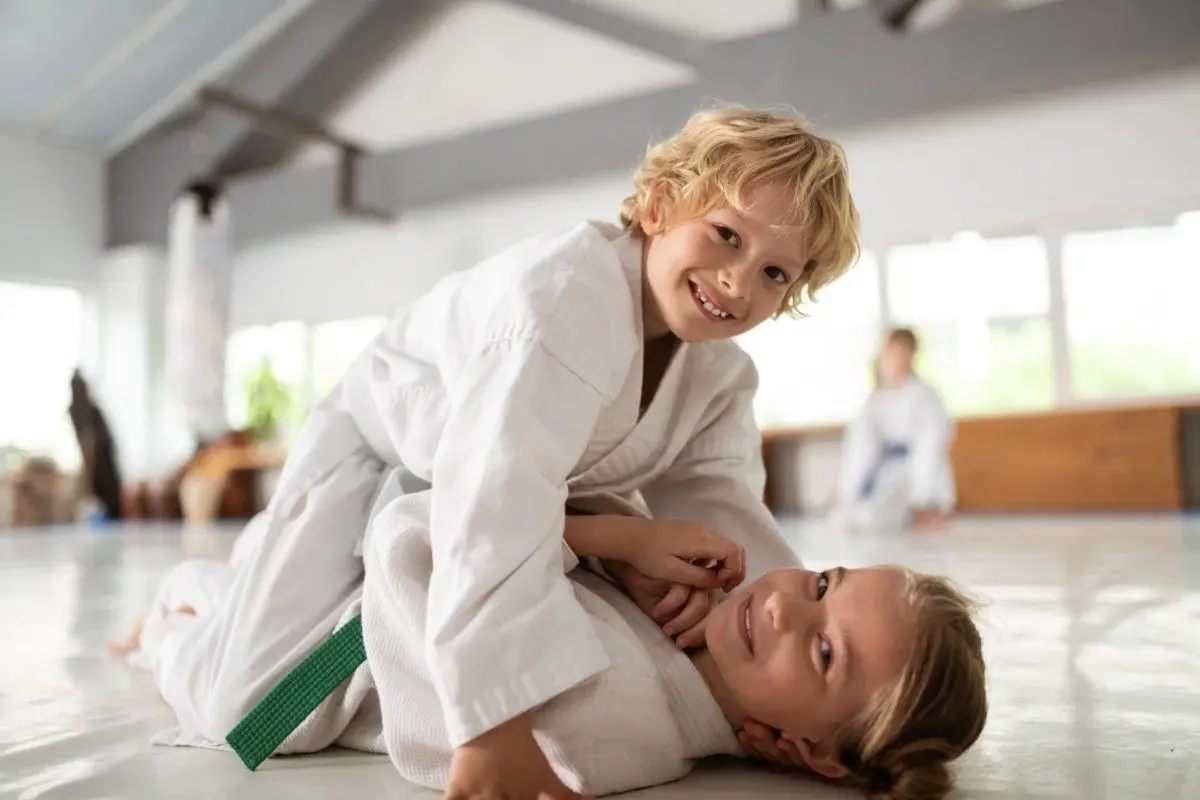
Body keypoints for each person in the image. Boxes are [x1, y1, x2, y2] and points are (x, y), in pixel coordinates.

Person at [145, 106, 863, 800]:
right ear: (659, 204)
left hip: (492, 497)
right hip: (374, 466)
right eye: (726, 236)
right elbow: (496, 498)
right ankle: (190, 598)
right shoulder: (561, 301)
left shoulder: (719, 376)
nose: (740, 281)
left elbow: (727, 513)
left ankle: (253, 586)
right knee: (248, 717)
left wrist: (796, 692)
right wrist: (495, 723)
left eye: (776, 273)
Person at [119, 494, 988, 800]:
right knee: (243, 578)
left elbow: (420, 538)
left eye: (827, 654)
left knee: (239, 700)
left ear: (803, 750)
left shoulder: (615, 717)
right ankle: (189, 602)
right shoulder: (695, 632)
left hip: (342, 656)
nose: (790, 604)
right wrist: (623, 542)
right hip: (361, 584)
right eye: (826, 582)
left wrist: (602, 538)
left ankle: (164, 628)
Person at [832, 328, 955, 531]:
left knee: (877, 517)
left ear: (911, 355)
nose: (894, 359)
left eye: (900, 352)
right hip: (884, 473)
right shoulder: (875, 400)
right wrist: (848, 489)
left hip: (915, 474)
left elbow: (930, 447)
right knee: (849, 518)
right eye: (890, 352)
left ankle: (924, 511)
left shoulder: (925, 396)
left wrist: (923, 498)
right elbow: (860, 448)